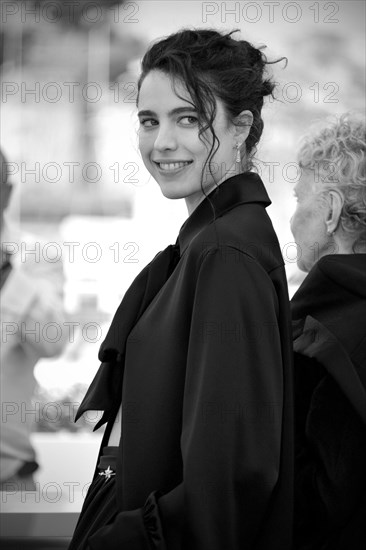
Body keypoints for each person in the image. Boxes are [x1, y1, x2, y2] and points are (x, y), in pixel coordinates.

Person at [69, 29, 294, 550]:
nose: (162, 142)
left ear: (241, 128)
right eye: (149, 121)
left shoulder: (224, 253)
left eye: (188, 119)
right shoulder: (208, 244)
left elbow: (230, 479)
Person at [290, 113, 366, 549]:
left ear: (332, 210)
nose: (292, 219)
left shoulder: (323, 333)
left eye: (299, 199)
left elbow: (323, 503)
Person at [0, 149, 67, 491]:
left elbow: (53, 342)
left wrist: (7, 273)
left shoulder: (37, 258)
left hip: (7, 477)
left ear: (6, 193)